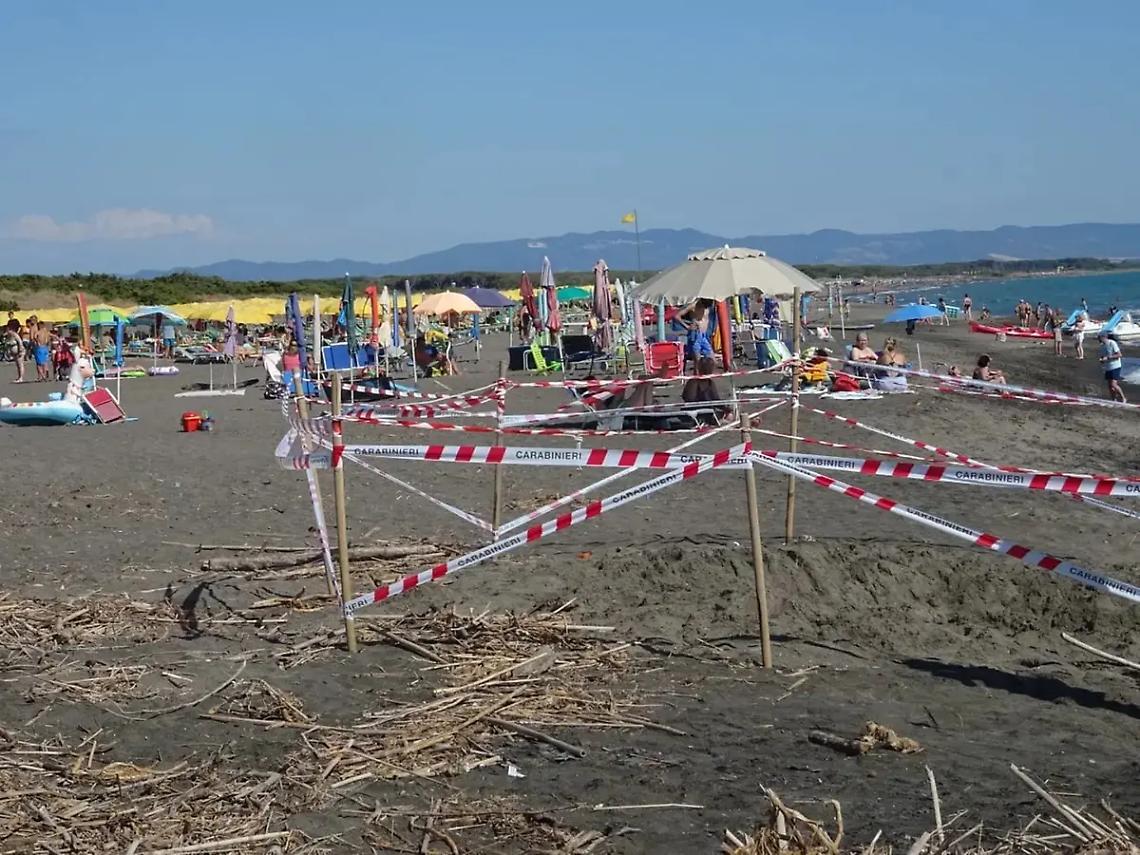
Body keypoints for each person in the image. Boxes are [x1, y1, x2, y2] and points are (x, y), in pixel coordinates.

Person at [676, 298, 715, 365]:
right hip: (696, 335)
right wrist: (687, 326)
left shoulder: (708, 305)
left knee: (711, 359)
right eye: (704, 306)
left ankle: (706, 373)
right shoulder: (693, 306)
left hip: (704, 335)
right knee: (697, 361)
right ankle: (697, 373)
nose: (705, 308)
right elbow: (677, 316)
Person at [1098, 332, 1127, 403]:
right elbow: (1102, 357)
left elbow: (1119, 355)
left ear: (1104, 337)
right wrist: (1102, 360)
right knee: (1110, 386)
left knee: (1113, 384)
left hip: (1115, 366)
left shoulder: (1112, 343)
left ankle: (1123, 398)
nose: (1098, 340)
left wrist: (1108, 357)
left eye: (1099, 338)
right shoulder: (1101, 346)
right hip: (1108, 367)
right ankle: (1113, 400)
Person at [4, 318, 25, 383]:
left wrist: (20, 350)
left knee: (20, 364)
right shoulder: (10, 334)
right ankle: (19, 377)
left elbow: (20, 342)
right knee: (18, 365)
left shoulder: (15, 334)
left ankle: (21, 378)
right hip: (15, 351)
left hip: (19, 351)